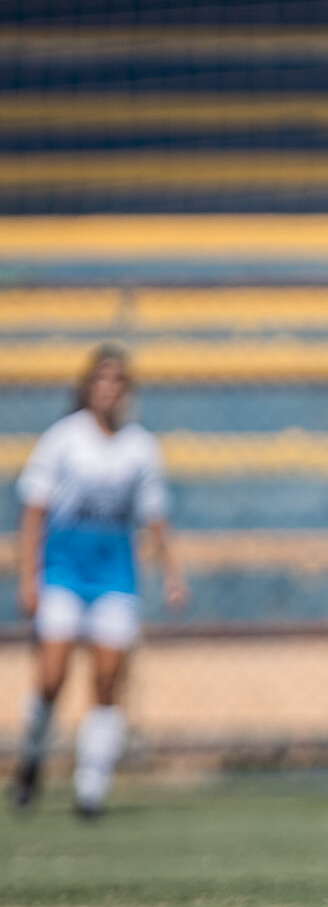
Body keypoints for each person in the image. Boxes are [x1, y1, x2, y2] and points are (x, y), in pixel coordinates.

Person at [11, 345, 186, 818]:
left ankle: (91, 790)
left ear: (126, 391)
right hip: (63, 574)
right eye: (101, 381)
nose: (109, 390)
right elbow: (34, 512)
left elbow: (154, 517)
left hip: (114, 577)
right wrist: (28, 578)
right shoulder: (63, 440)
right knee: (51, 677)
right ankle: (30, 761)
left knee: (107, 680)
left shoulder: (140, 447)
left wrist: (171, 571)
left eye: (118, 382)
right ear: (88, 387)